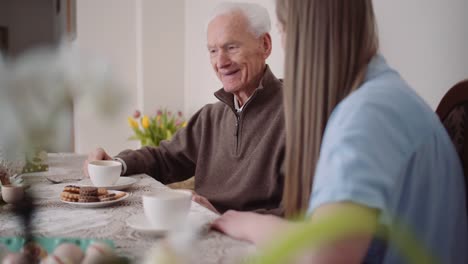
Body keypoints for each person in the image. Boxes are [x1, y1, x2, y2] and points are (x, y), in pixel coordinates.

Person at [211, 0, 468, 263]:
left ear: (304, 32)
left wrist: (248, 225)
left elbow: (325, 254)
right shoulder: (383, 97)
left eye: (283, 27)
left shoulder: (367, 113)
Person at [84, 2, 286, 215]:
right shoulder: (210, 117)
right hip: (197, 232)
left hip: (256, 244)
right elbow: (164, 158)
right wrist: (115, 165)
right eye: (213, 51)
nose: (221, 62)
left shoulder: (300, 113)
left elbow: (305, 213)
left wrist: (224, 218)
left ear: (265, 45)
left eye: (232, 47)